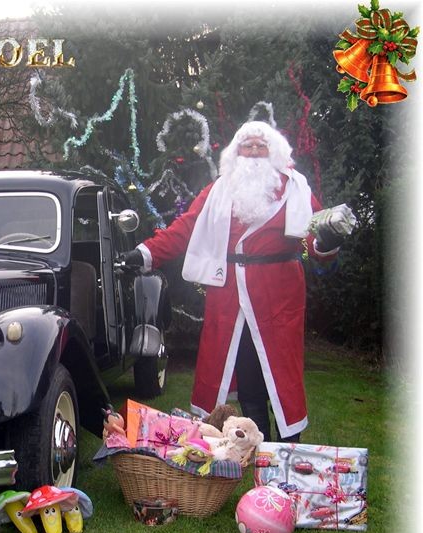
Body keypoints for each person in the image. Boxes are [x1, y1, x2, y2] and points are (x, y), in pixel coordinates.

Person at [123, 121, 351, 442]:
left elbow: (315, 239)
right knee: (246, 376)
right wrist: (145, 253)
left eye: (261, 146)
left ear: (274, 151)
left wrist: (327, 239)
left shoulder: (295, 188)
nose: (254, 152)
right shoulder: (219, 190)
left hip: (279, 297)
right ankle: (257, 445)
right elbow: (185, 227)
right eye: (248, 146)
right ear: (237, 151)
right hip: (231, 300)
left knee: (283, 377)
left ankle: (289, 447)